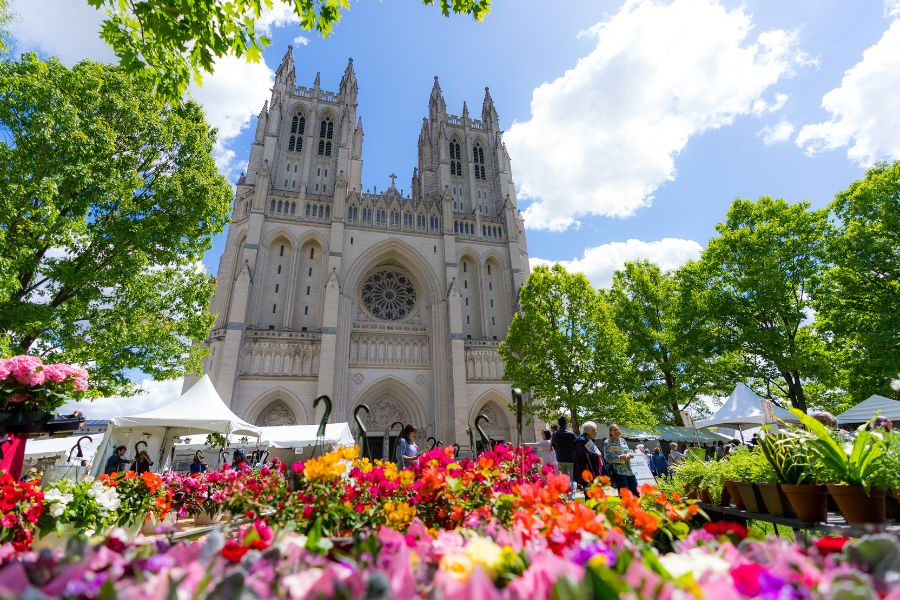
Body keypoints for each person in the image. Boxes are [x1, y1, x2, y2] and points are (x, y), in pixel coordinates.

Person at [603, 424, 639, 496]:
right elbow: (607, 458)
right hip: (618, 472)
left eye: (617, 429)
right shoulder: (607, 442)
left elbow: (629, 452)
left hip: (629, 470)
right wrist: (620, 457)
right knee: (625, 494)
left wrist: (628, 455)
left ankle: (637, 507)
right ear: (610, 432)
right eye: (614, 430)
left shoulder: (623, 440)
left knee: (635, 492)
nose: (617, 431)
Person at [574, 421, 602, 489]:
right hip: (587, 471)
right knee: (590, 494)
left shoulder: (589, 440)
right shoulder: (581, 441)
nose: (596, 432)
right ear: (588, 430)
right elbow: (582, 455)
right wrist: (596, 455)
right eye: (594, 430)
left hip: (592, 470)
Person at [551, 416, 577, 492]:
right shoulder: (571, 434)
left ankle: (566, 494)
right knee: (572, 478)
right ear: (566, 424)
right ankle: (572, 495)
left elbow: (554, 445)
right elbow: (576, 445)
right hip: (571, 458)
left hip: (560, 458)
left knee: (564, 478)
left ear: (559, 424)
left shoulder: (555, 434)